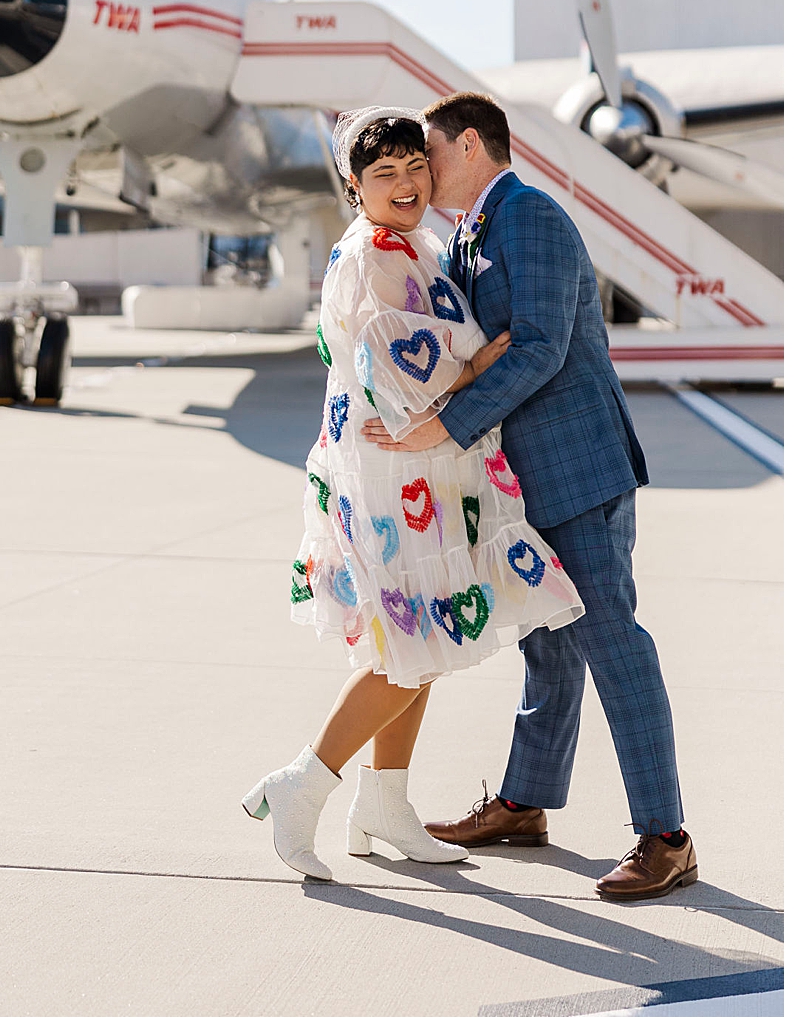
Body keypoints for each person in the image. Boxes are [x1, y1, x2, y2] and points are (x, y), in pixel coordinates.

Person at [359, 91, 695, 903]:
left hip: (578, 466)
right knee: (546, 642)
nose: (418, 171)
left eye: (429, 154)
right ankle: (526, 802)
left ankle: (668, 836)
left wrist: (444, 426)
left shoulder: (530, 217)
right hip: (524, 476)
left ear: (471, 146)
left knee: (611, 638)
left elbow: (540, 348)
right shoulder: (474, 228)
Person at [242, 105, 585, 883]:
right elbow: (394, 365)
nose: (404, 183)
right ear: (353, 186)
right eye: (384, 174)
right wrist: (475, 367)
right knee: (404, 646)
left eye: (413, 167)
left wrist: (467, 370)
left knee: (422, 640)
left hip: (425, 468)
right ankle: (303, 785)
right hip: (393, 472)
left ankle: (384, 803)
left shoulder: (418, 244)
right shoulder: (368, 255)